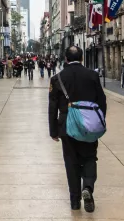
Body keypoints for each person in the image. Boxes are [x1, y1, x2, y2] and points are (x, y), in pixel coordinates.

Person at [49, 46, 107, 213]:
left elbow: (52, 107)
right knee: (89, 157)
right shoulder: (92, 75)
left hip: (67, 126)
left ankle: (75, 201)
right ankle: (87, 187)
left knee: (71, 162)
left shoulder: (57, 78)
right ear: (82, 58)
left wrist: (53, 131)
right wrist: (99, 121)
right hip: (89, 124)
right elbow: (102, 101)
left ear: (66, 59)